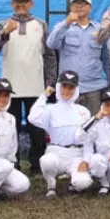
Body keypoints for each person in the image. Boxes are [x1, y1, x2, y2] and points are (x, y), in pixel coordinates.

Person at [0, 0, 57, 175]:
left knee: (37, 128)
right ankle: (14, 163)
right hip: (10, 87)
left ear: (31, 3)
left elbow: (49, 55)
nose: (21, 5)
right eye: (17, 1)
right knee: (12, 126)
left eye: (24, 1)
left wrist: (51, 81)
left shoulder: (41, 24)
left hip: (36, 85)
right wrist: (4, 33)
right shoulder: (3, 24)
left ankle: (36, 164)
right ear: (12, 4)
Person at [28, 70, 95, 198]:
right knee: (47, 161)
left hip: (76, 154)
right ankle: (51, 186)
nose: (67, 91)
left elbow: (87, 139)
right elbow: (32, 117)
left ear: (76, 89)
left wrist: (85, 160)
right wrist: (44, 95)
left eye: (71, 87)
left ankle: (73, 183)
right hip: (56, 152)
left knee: (83, 183)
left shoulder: (83, 111)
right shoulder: (50, 109)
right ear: (59, 87)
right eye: (64, 86)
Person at [46, 0, 110, 116]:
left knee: (93, 126)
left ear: (90, 7)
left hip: (93, 88)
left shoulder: (99, 29)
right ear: (70, 7)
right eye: (75, 3)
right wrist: (66, 22)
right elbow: (51, 44)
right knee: (68, 127)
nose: (79, 6)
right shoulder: (62, 26)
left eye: (83, 3)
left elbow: (106, 59)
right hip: (68, 88)